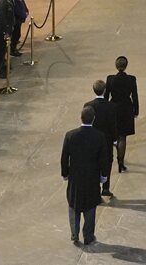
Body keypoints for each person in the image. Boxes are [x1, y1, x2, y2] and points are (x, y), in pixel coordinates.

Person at [60, 105, 109, 245]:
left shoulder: (70, 135)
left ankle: (74, 235)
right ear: (93, 119)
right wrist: (104, 176)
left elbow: (64, 157)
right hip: (92, 177)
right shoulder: (99, 136)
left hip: (75, 177)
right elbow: (103, 159)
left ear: (80, 117)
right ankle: (88, 236)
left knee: (73, 204)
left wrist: (65, 173)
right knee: (90, 206)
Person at [105, 56, 139, 173]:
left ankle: (118, 153)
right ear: (126, 66)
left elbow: (106, 96)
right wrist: (136, 111)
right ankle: (121, 161)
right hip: (126, 108)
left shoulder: (110, 79)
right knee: (123, 136)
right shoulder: (131, 79)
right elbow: (134, 95)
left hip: (113, 108)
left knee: (115, 134)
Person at [84, 81, 118, 197]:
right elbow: (113, 125)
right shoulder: (111, 106)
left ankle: (95, 189)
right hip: (106, 140)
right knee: (107, 162)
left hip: (91, 139)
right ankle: (106, 187)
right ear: (105, 90)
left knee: (94, 163)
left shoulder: (88, 105)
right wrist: (114, 139)